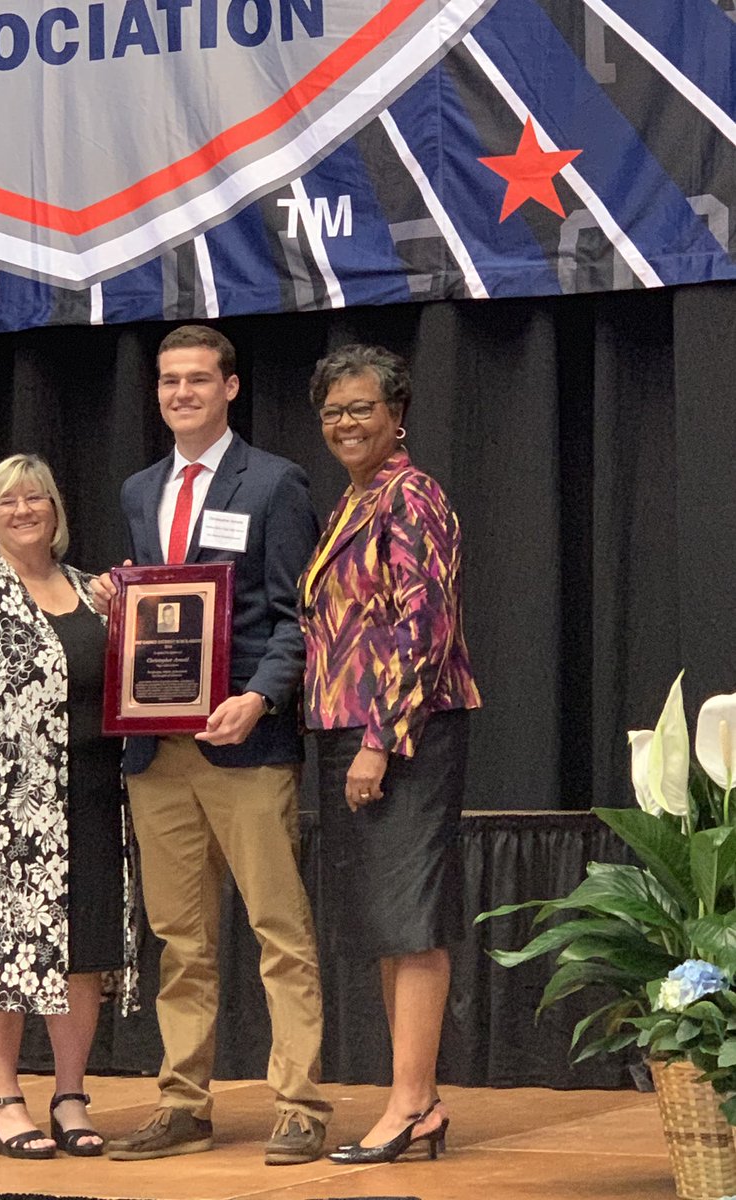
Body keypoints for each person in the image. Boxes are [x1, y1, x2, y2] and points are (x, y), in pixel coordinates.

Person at [91, 325, 331, 1166]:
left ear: (231, 388)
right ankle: (182, 1103)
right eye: (168, 381)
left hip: (246, 747)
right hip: (157, 753)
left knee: (278, 929)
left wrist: (260, 696)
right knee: (179, 939)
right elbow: (161, 609)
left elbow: (299, 619)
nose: (181, 393)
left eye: (198, 379)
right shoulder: (138, 489)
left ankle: (299, 1104)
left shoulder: (274, 482)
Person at [0, 454, 140, 1160]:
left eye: (35, 497)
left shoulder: (90, 591)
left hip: (97, 799)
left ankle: (70, 1094)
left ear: (55, 511)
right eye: (7, 501)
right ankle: (5, 1098)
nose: (23, 510)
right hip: (2, 810)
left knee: (84, 951)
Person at [298, 345, 481, 1165]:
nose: (346, 423)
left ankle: (410, 1105)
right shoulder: (354, 501)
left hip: (403, 733)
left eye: (362, 408)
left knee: (408, 925)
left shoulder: (412, 495)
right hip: (350, 732)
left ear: (397, 412)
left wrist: (378, 741)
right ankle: (419, 1100)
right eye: (334, 411)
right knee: (384, 924)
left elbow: (424, 627)